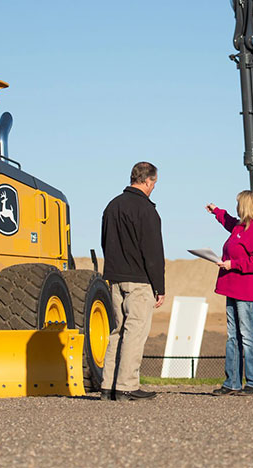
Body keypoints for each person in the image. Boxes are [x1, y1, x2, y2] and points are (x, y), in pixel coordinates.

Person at [99, 161, 166, 401]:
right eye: (154, 183)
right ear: (148, 181)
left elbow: (104, 241)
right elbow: (153, 252)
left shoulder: (112, 206)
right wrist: (160, 287)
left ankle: (108, 386)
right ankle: (127, 386)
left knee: (117, 332)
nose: (153, 187)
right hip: (139, 281)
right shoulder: (146, 210)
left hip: (115, 278)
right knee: (135, 333)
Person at [206, 190, 253, 396]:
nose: (237, 207)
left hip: (246, 290)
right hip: (231, 286)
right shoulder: (240, 227)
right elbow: (228, 221)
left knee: (248, 335)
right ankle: (232, 382)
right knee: (233, 336)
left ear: (247, 205)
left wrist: (232, 264)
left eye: (239, 203)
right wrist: (216, 211)